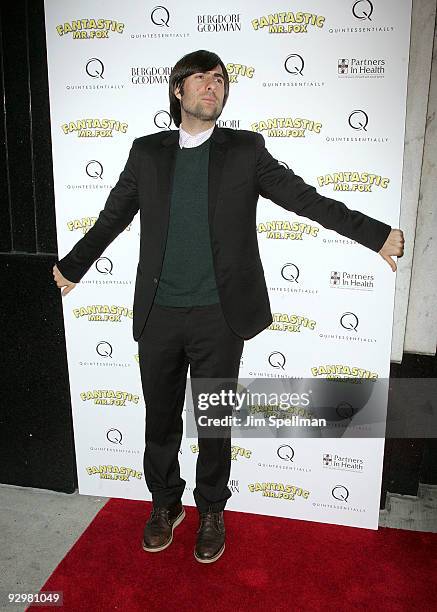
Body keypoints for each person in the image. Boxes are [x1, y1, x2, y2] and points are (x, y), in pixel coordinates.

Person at [53, 49, 405, 564]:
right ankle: (165, 504)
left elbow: (306, 200)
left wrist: (374, 235)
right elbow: (112, 219)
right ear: (178, 91)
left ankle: (212, 510)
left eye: (219, 79)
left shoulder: (245, 151)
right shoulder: (147, 153)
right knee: (160, 420)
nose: (211, 87)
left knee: (214, 422)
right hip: (159, 314)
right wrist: (74, 265)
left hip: (221, 316)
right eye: (199, 78)